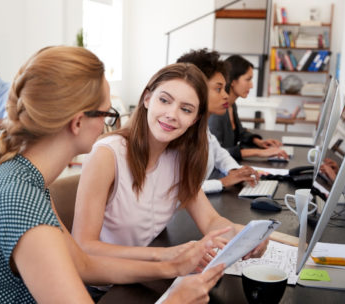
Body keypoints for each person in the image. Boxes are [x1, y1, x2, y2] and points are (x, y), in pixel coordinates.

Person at [0, 46, 227, 303]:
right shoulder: (22, 204)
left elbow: (82, 263)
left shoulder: (23, 180)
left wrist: (171, 265)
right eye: (107, 115)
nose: (109, 128)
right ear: (78, 122)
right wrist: (174, 299)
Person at [72, 63, 268, 288]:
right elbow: (84, 246)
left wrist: (245, 235)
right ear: (147, 99)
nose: (172, 115)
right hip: (101, 288)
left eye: (186, 109)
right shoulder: (108, 154)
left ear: (195, 119)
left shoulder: (179, 158)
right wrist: (165, 255)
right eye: (164, 100)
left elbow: (211, 220)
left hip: (144, 279)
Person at [177, 49, 259, 193]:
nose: (226, 96)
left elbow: (219, 153)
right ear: (195, 89)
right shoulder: (178, 132)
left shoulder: (201, 126)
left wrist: (234, 170)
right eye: (218, 89)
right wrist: (222, 182)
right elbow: (180, 189)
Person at [208, 55, 288, 161]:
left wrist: (259, 142)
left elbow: (240, 132)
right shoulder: (217, 113)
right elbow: (217, 153)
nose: (251, 86)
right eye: (248, 79)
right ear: (232, 81)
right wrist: (260, 152)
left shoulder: (232, 105)